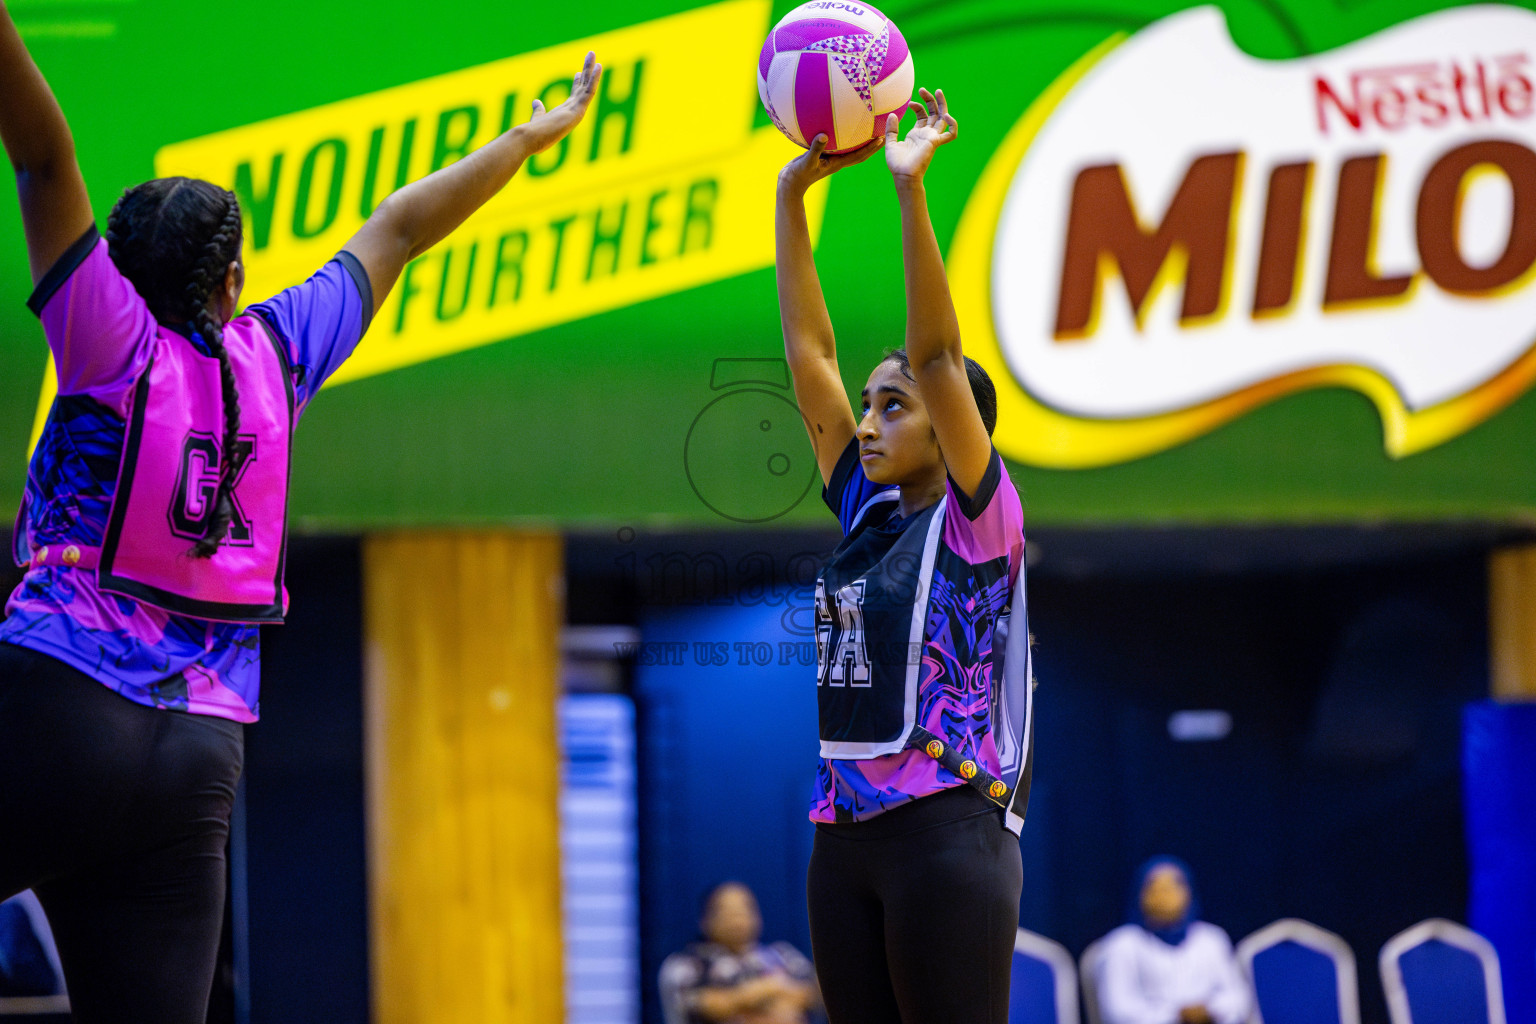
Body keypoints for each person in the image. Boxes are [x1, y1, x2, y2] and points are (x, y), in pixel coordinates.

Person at [0, 7, 600, 1019]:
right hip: (197, 752)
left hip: (60, 698)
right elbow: (400, 226)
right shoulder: (275, 354)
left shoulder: (106, 340)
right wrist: (527, 138)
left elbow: (45, 157)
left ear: (115, 269)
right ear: (231, 281)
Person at [775, 90, 1033, 1024]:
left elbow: (936, 355)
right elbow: (810, 354)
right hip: (841, 840)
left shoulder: (981, 519)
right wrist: (789, 198)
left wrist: (907, 189)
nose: (873, 419)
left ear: (953, 428)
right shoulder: (865, 510)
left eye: (897, 407)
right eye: (872, 404)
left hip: (948, 830)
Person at [1095, 857, 1253, 1024]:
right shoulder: (1122, 944)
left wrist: (1208, 1010)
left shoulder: (1211, 938)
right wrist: (1177, 1015)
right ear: (1140, 893)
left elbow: (1239, 998)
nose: (1166, 895)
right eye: (1157, 888)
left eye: (1174, 886)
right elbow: (1117, 1011)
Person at [659, 882, 819, 1024]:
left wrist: (741, 1003)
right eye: (729, 912)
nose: (738, 919)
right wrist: (769, 989)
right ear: (705, 920)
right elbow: (705, 1005)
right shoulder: (686, 964)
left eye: (744, 910)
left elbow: (816, 993)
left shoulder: (782, 954)